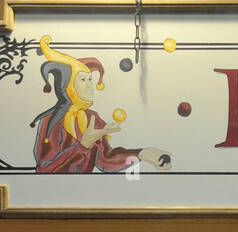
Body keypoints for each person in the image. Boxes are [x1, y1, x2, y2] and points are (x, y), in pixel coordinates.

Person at [32, 36, 170, 173]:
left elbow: (106, 161)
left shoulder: (92, 118)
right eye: (83, 79)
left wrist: (142, 154)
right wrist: (83, 146)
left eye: (90, 79)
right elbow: (45, 169)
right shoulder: (51, 121)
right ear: (68, 86)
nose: (89, 86)